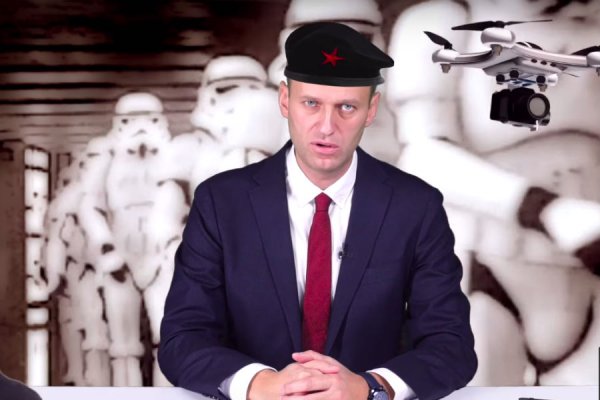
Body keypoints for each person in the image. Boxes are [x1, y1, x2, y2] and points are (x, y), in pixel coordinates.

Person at [158, 21, 477, 400]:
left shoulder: (415, 206)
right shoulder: (221, 202)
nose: (327, 127)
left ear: (371, 109)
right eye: (311, 104)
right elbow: (183, 337)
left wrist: (369, 387)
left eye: (347, 107)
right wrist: (260, 384)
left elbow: (451, 345)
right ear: (284, 100)